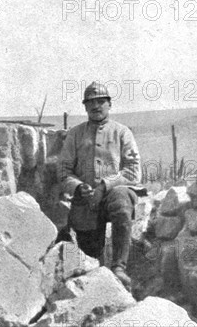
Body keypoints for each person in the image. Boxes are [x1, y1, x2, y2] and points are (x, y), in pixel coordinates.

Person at [58, 82, 141, 290]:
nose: (96, 106)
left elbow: (133, 171)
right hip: (85, 202)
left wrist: (106, 185)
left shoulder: (122, 132)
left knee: (122, 199)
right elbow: (63, 171)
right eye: (91, 103)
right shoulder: (75, 134)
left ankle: (120, 267)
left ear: (109, 105)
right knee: (92, 262)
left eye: (101, 102)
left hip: (112, 195)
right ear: (85, 107)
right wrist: (77, 187)